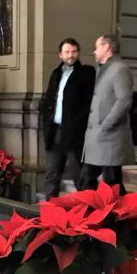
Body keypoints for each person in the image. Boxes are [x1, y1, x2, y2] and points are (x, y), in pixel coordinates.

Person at [39, 38, 96, 198]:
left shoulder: (86, 73)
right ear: (60, 55)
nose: (71, 55)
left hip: (75, 133)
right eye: (67, 52)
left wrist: (78, 123)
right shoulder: (55, 74)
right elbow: (48, 100)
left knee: (80, 177)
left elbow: (90, 103)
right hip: (54, 132)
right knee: (52, 175)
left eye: (74, 51)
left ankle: (90, 213)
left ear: (78, 53)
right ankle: (51, 214)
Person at [80, 34, 136, 193]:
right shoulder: (103, 69)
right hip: (98, 139)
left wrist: (106, 124)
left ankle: (118, 215)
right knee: (89, 180)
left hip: (110, 137)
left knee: (110, 182)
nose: (94, 51)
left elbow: (124, 100)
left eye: (97, 47)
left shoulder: (120, 68)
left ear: (106, 47)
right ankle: (95, 214)